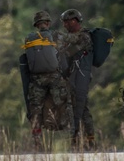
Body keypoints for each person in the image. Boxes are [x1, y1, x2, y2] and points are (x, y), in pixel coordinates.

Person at [22, 10, 72, 148]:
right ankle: (71, 138)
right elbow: (65, 52)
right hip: (54, 77)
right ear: (48, 23)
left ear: (36, 25)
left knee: (35, 110)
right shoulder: (55, 35)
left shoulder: (29, 38)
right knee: (63, 105)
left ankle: (38, 142)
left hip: (36, 79)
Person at [57, 8, 95, 148]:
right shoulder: (70, 38)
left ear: (74, 21)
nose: (65, 25)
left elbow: (70, 49)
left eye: (67, 22)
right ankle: (80, 140)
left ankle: (85, 139)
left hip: (81, 77)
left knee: (80, 108)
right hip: (71, 78)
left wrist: (60, 40)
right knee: (76, 108)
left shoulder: (84, 36)